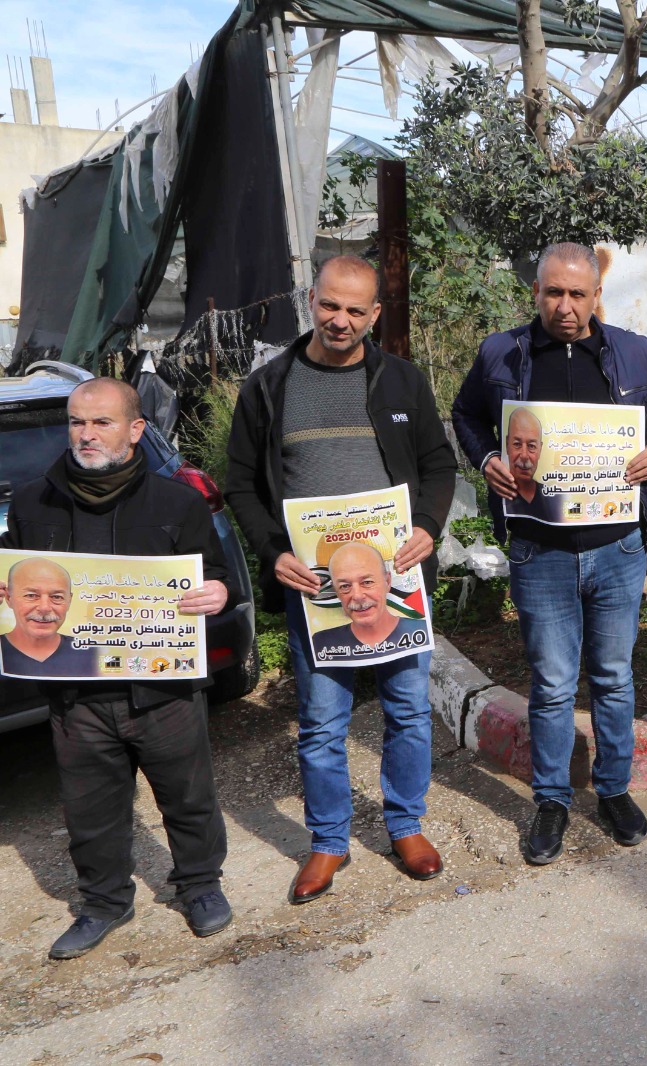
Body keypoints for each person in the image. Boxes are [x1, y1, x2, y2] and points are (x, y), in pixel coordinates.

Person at [226, 254, 456, 901]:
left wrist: (427, 526)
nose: (341, 320)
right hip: (315, 590)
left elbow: (439, 466)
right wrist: (274, 550)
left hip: (396, 582)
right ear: (311, 299)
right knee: (323, 723)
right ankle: (328, 842)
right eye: (330, 305)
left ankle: (406, 826)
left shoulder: (402, 381)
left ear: (374, 314)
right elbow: (239, 483)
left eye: (356, 310)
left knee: (408, 712)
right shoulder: (269, 387)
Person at [452, 241, 647, 864]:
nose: (566, 306)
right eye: (554, 292)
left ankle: (614, 790)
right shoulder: (502, 353)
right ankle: (551, 801)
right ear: (536, 292)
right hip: (540, 549)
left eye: (578, 294)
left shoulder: (633, 351)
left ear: (597, 295)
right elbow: (466, 414)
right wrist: (486, 459)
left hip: (616, 546)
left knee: (613, 677)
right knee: (551, 684)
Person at [0, 378, 235, 959]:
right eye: (77, 422)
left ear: (135, 431)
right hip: (76, 692)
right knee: (90, 808)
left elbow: (216, 575)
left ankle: (200, 885)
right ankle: (104, 902)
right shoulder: (31, 503)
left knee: (187, 795)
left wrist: (217, 593)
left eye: (101, 422)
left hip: (163, 686)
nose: (86, 434)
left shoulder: (177, 502)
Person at [309, 541, 429, 660]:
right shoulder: (323, 642)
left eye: (367, 582)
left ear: (387, 582)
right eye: (345, 586)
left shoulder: (419, 631)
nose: (357, 596)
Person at [0, 557, 98, 677]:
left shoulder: (92, 654)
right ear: (8, 598)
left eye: (56, 597)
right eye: (31, 595)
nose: (44, 608)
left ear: (69, 601)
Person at [502, 408, 560, 522]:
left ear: (540, 449)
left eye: (531, 446)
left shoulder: (554, 495)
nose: (524, 455)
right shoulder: (500, 492)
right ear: (507, 444)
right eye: (517, 444)